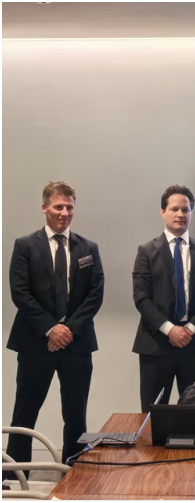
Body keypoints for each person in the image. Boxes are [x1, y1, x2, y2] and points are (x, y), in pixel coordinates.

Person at [5, 181, 104, 469]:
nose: (64, 213)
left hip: (77, 343)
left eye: (69, 207)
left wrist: (68, 330)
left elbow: (95, 294)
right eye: (58, 206)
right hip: (35, 342)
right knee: (24, 413)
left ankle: (73, 473)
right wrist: (51, 328)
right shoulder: (25, 245)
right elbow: (19, 292)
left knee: (76, 415)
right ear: (44, 207)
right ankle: (14, 475)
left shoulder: (88, 248)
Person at [132, 185, 195, 412]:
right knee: (153, 414)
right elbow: (142, 298)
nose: (180, 214)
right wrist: (170, 330)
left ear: (191, 213)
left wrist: (189, 330)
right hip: (156, 344)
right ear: (163, 212)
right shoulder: (146, 251)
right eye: (174, 209)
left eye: (186, 209)